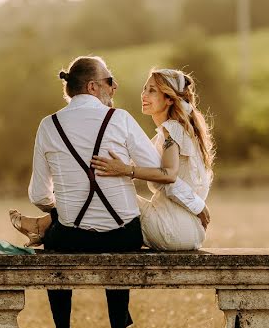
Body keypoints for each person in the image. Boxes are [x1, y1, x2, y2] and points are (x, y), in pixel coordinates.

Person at [10, 56, 207, 328]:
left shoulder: (49, 125)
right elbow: (158, 172)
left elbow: (38, 196)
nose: (115, 86)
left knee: (56, 242)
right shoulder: (121, 120)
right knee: (122, 234)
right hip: (123, 235)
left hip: (72, 236)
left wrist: (65, 206)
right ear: (92, 86)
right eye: (109, 80)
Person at [91, 68, 214, 251]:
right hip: (191, 232)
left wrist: (125, 170)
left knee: (104, 191)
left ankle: (53, 228)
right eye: (144, 88)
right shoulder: (170, 134)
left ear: (170, 99)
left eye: (152, 91)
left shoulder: (171, 130)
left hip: (170, 228)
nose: (144, 95)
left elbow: (169, 174)